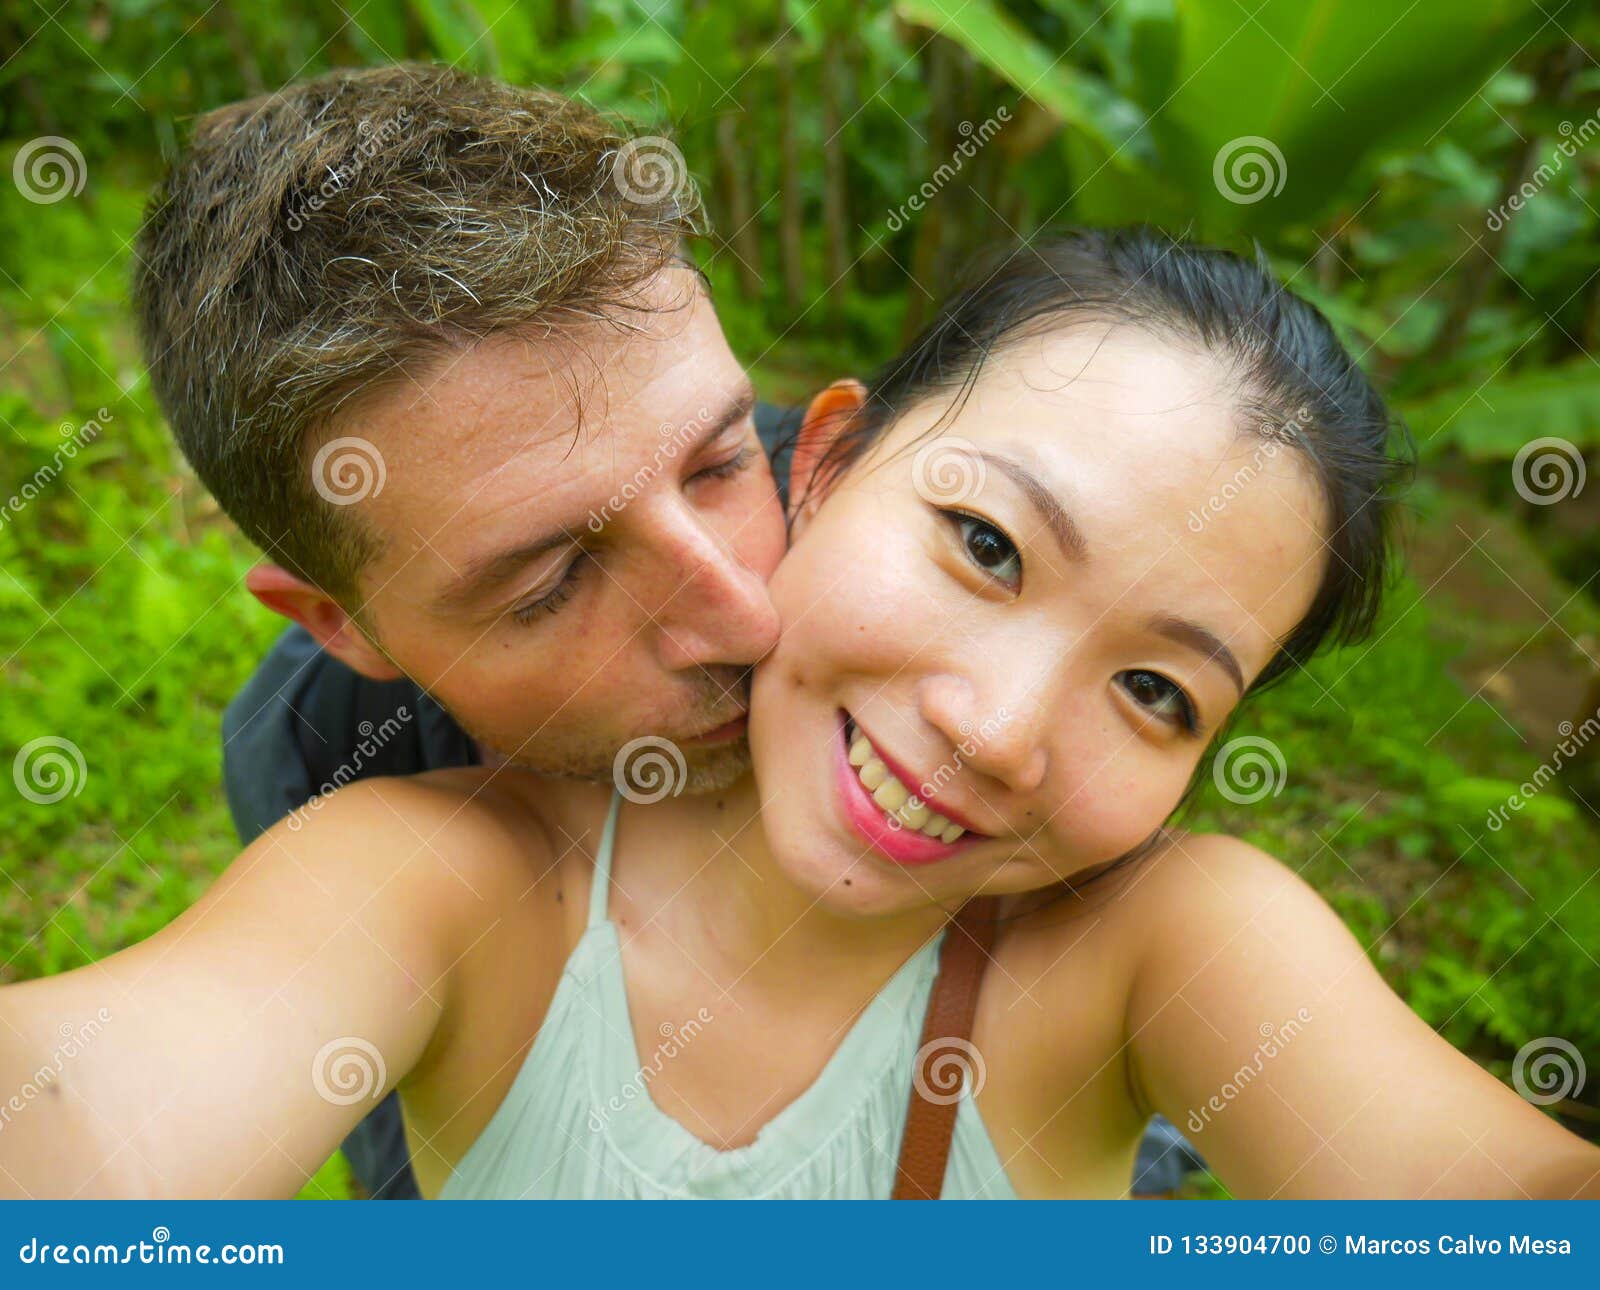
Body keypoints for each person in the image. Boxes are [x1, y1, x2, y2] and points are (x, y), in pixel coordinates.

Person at [6, 228, 1595, 1199]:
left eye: (1157, 689)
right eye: (986, 545)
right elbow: (83, 1104)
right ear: (822, 464)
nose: (997, 729)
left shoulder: (1166, 946)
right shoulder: (447, 877)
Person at [138, 63, 1200, 1195]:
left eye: (719, 462)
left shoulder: (894, 531)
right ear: (341, 626)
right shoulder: (311, 748)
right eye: (549, 582)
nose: (747, 614)